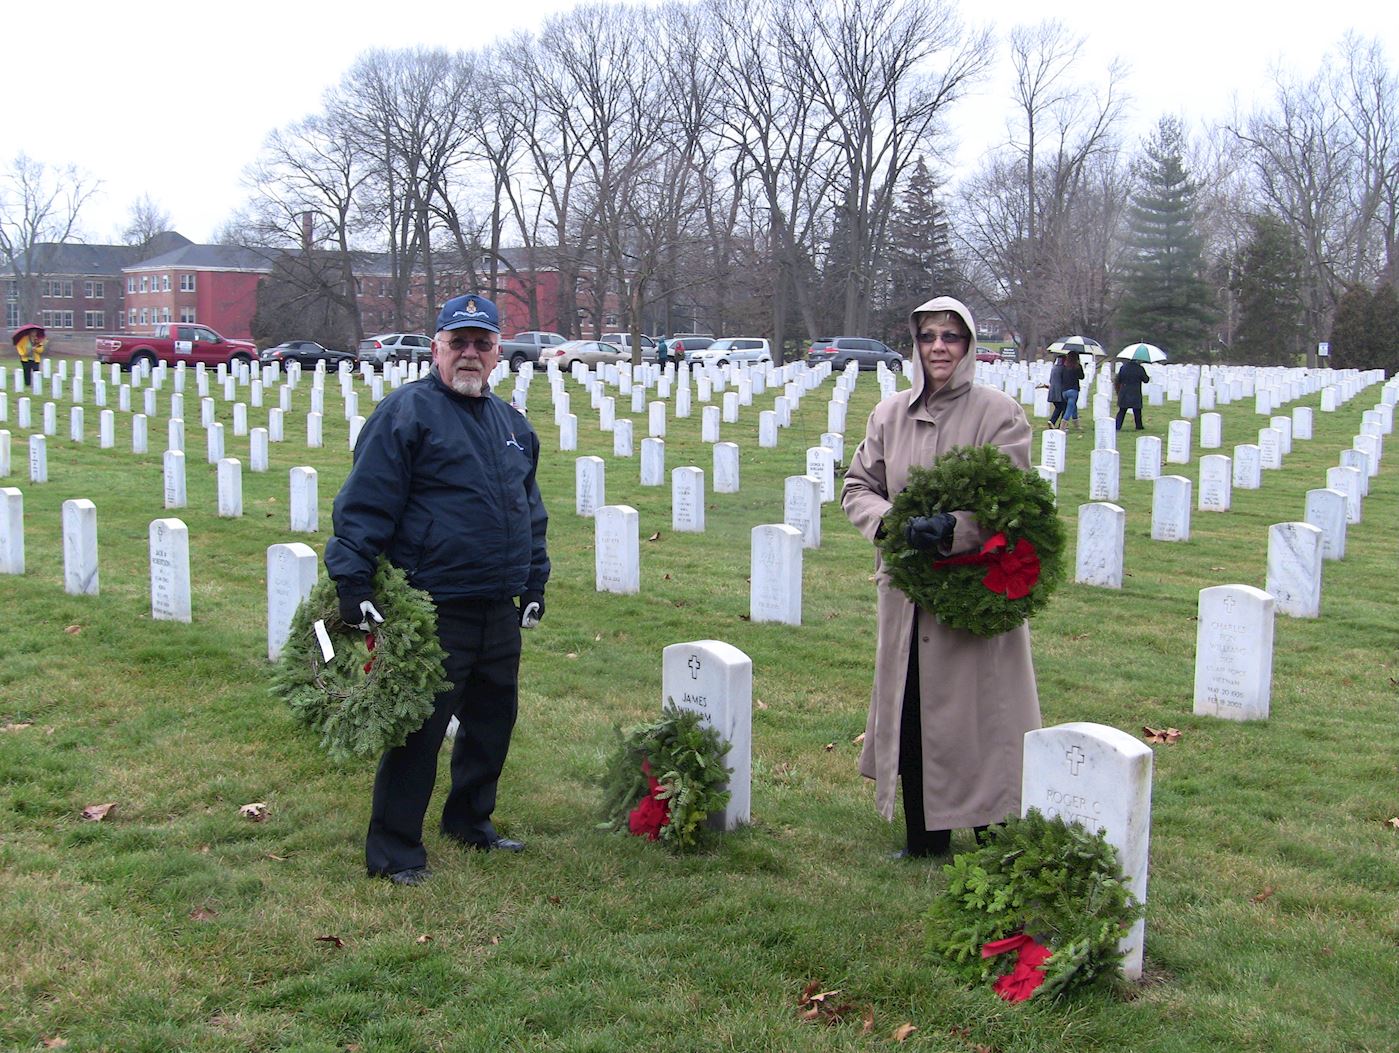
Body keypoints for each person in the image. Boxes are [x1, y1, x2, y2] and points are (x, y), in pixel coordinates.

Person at [324, 293, 550, 886]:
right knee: (418, 732)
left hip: (496, 605)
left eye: (482, 343)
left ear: (498, 353)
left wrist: (534, 581)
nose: (470, 353)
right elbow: (364, 502)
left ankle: (471, 823)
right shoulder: (406, 415)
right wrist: (352, 579)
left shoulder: (512, 426)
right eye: (459, 343)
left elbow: (530, 512)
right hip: (432, 605)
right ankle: (395, 850)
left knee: (492, 722)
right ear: (436, 350)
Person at [843, 296, 1041, 859]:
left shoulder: (998, 413)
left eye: (951, 338)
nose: (939, 347)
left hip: (972, 589)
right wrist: (893, 524)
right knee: (910, 707)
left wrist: (954, 529)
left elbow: (1011, 501)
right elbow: (858, 486)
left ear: (969, 346)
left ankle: (991, 831)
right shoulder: (889, 415)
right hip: (907, 590)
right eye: (929, 336)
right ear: (916, 344)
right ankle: (923, 840)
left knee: (978, 715)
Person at [1114, 358, 1150, 430]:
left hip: (1124, 391)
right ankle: (1139, 426)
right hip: (1135, 391)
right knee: (1137, 411)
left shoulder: (1123, 367)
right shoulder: (1139, 368)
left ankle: (1117, 426)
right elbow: (1146, 380)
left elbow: (1118, 379)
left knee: (1122, 410)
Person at [1061, 354, 1085, 431]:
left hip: (1064, 391)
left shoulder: (1064, 366)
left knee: (1074, 407)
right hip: (1073, 390)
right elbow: (1082, 377)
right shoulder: (1077, 366)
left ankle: (1077, 425)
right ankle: (1062, 426)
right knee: (1069, 409)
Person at [1042, 354, 1067, 428]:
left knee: (1058, 407)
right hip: (1060, 392)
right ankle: (1061, 425)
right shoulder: (1063, 369)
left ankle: (1052, 421)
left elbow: (1050, 380)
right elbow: (1065, 380)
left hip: (1052, 391)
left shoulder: (1054, 368)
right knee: (1065, 407)